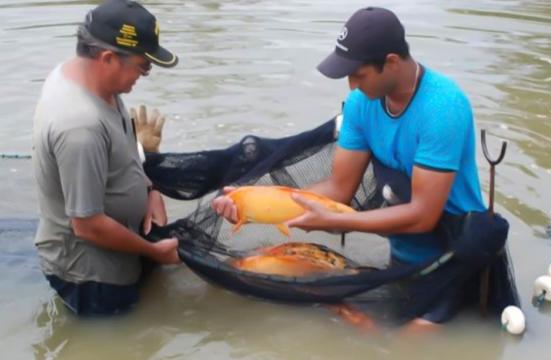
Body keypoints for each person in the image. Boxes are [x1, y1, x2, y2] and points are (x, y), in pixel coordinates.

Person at [213, 7, 487, 327]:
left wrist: (344, 221)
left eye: (359, 74)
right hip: (403, 258)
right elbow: (338, 190)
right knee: (353, 327)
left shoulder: (443, 107)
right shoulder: (361, 103)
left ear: (392, 63)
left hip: (453, 254)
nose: (351, 86)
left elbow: (424, 215)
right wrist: (251, 203)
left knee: (403, 350)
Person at [32, 0, 180, 316]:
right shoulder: (79, 127)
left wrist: (149, 189)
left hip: (122, 250)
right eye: (143, 66)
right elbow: (87, 225)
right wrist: (154, 251)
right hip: (93, 276)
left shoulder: (84, 75)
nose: (145, 74)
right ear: (108, 58)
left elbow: (119, 151)